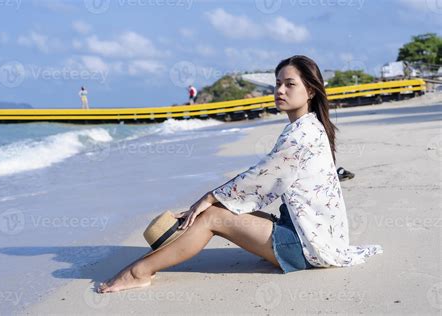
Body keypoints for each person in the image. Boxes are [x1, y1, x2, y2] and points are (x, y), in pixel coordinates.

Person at [97, 55, 383, 294]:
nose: (280, 90)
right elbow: (260, 181)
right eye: (278, 84)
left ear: (310, 91)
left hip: (307, 247)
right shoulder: (309, 126)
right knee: (219, 207)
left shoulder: (303, 134)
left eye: (289, 84)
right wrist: (215, 199)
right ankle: (158, 255)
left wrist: (209, 198)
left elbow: (260, 178)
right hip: (311, 236)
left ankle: (139, 272)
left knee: (212, 216)